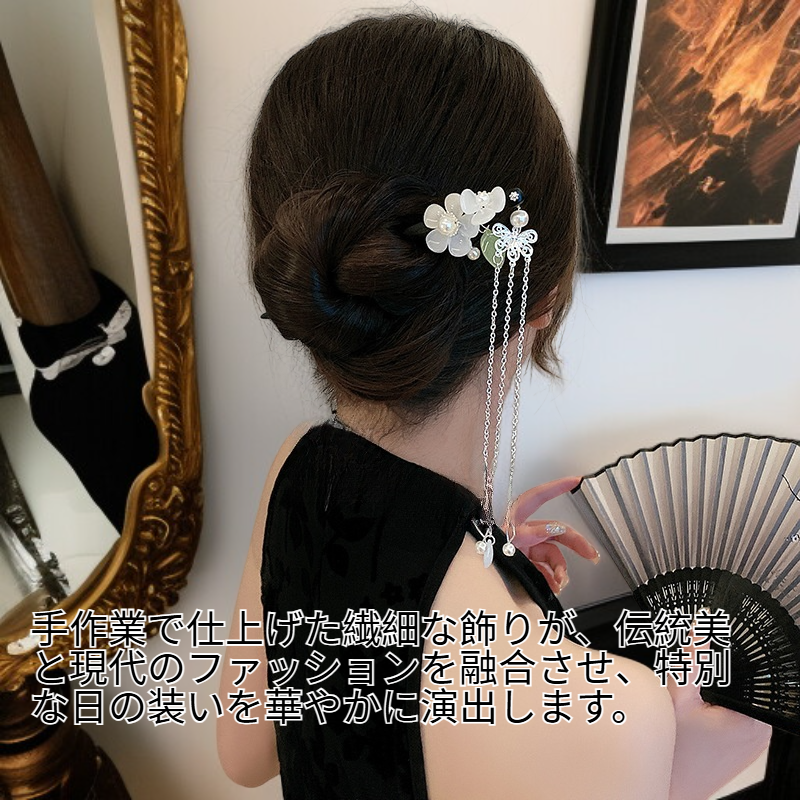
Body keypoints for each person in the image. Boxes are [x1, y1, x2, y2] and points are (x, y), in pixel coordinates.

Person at [217, 11, 770, 800]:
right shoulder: (613, 714)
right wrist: (685, 771)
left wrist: (481, 574)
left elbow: (243, 755)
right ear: (541, 295)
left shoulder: (297, 473)